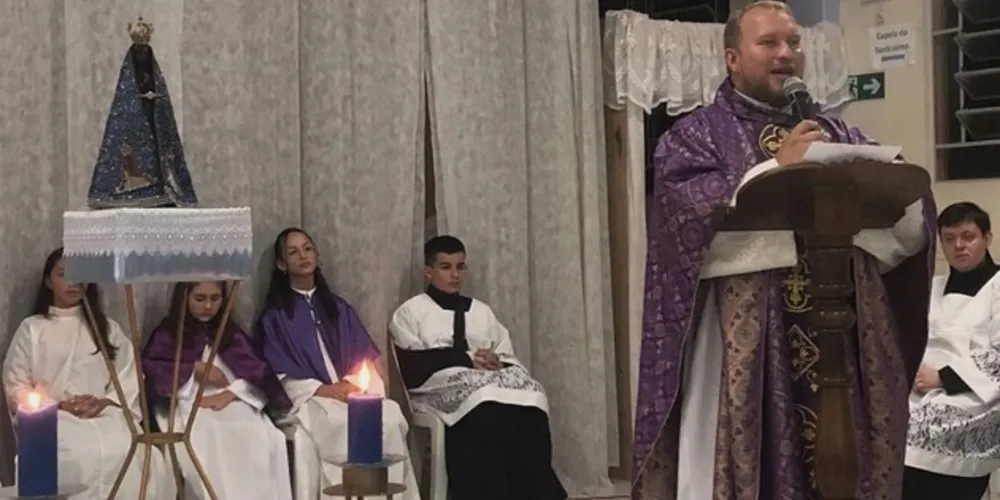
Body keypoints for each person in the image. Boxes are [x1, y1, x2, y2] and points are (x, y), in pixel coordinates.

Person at [632, 2, 938, 499]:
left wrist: (896, 184)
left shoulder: (837, 132)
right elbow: (681, 220)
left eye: (793, 43)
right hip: (750, 337)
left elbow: (904, 222)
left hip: (843, 332)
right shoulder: (696, 135)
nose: (786, 54)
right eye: (769, 43)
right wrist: (775, 169)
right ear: (732, 57)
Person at [391, 235, 567, 500]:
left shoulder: (481, 311)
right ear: (428, 272)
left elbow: (505, 351)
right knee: (484, 405)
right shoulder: (411, 311)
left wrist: (498, 362)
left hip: (486, 383)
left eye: (460, 267)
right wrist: (465, 358)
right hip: (439, 387)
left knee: (532, 398)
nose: (454, 275)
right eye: (446, 267)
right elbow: (414, 362)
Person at [256, 227, 419, 499]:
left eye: (308, 248)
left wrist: (355, 386)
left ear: (317, 255)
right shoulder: (275, 317)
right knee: (338, 422)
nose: (303, 256)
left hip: (351, 394)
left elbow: (365, 362)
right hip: (310, 400)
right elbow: (276, 373)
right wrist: (321, 390)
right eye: (293, 252)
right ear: (282, 264)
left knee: (389, 416)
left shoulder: (338, 308)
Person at [2, 248, 175, 499]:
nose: (72, 283)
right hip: (54, 419)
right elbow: (15, 384)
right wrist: (58, 406)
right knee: (81, 455)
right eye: (63, 274)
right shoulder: (32, 329)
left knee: (135, 452)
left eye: (79, 275)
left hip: (105, 414)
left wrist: (106, 401)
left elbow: (129, 375)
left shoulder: (107, 328)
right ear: (49, 281)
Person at [143, 281, 294, 500]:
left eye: (215, 299)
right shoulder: (168, 334)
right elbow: (153, 370)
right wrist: (193, 369)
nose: (208, 306)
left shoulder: (232, 335)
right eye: (200, 298)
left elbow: (260, 375)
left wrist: (233, 393)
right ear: (184, 298)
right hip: (187, 404)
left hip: (235, 401)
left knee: (258, 434)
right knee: (211, 434)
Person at [904, 202, 1000, 500]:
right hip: (920, 388)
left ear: (987, 238)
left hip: (976, 394)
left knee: (928, 425)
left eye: (968, 236)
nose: (959, 246)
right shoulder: (932, 287)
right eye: (949, 238)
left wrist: (945, 378)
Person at [87, 16, 197, 208]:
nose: (141, 55)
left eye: (144, 51)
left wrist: (153, 98)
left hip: (152, 114)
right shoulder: (127, 86)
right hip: (135, 117)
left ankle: (160, 187)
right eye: (138, 52)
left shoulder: (153, 73)